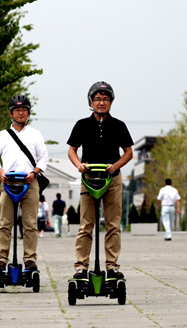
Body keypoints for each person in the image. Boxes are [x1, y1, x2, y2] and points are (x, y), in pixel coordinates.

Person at [67, 81, 134, 279]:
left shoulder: (119, 125)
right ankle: (81, 266)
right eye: (97, 99)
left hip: (111, 178)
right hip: (89, 177)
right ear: (91, 102)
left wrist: (116, 166)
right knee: (86, 224)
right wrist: (79, 165)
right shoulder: (81, 125)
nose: (101, 102)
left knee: (113, 224)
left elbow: (129, 152)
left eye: (105, 99)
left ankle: (112, 265)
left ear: (111, 102)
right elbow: (72, 150)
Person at [0, 95, 49, 273]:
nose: (20, 113)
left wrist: (35, 172)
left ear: (29, 113)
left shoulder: (35, 134)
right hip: (8, 182)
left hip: (29, 182)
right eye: (17, 110)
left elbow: (44, 156)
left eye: (24, 110)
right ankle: (1, 260)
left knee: (30, 223)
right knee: (5, 223)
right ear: (11, 113)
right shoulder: (2, 135)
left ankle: (30, 259)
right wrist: (0, 172)